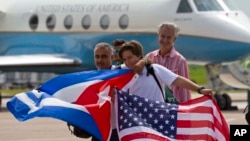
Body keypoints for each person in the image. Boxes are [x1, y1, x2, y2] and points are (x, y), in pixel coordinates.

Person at [118, 40, 213, 102]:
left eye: (129, 57)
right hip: (136, 122)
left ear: (138, 55)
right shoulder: (121, 72)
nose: (127, 62)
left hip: (158, 119)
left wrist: (200, 89)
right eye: (124, 59)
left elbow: (178, 80)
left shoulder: (155, 69)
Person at [146, 22, 191, 102]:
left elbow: (185, 91)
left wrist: (185, 112)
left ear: (174, 39)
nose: (165, 40)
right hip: (153, 106)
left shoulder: (180, 61)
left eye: (169, 37)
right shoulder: (149, 57)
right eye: (162, 36)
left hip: (172, 107)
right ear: (158, 36)